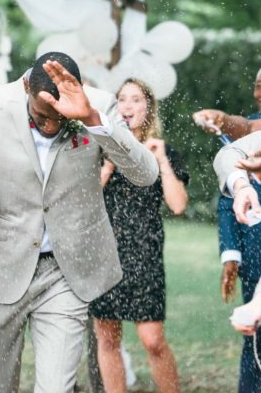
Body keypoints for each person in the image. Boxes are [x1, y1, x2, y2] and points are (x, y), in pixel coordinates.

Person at [0, 52, 158, 393]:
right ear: (25, 89)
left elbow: (145, 174)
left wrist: (92, 120)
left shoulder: (100, 105)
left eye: (59, 120)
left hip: (66, 271)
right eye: (41, 117)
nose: (51, 126)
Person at [89, 79, 188, 393]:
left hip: (144, 254)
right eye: (122, 99)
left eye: (136, 100)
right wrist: (106, 167)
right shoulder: (99, 149)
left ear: (148, 108)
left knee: (153, 340)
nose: (128, 106)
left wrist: (161, 161)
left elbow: (178, 205)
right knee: (107, 338)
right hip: (104, 253)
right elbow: (84, 203)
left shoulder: (162, 151)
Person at [216, 64, 261, 393]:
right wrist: (231, 254)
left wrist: (260, 174)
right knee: (257, 338)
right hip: (259, 252)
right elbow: (227, 195)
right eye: (259, 85)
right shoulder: (255, 133)